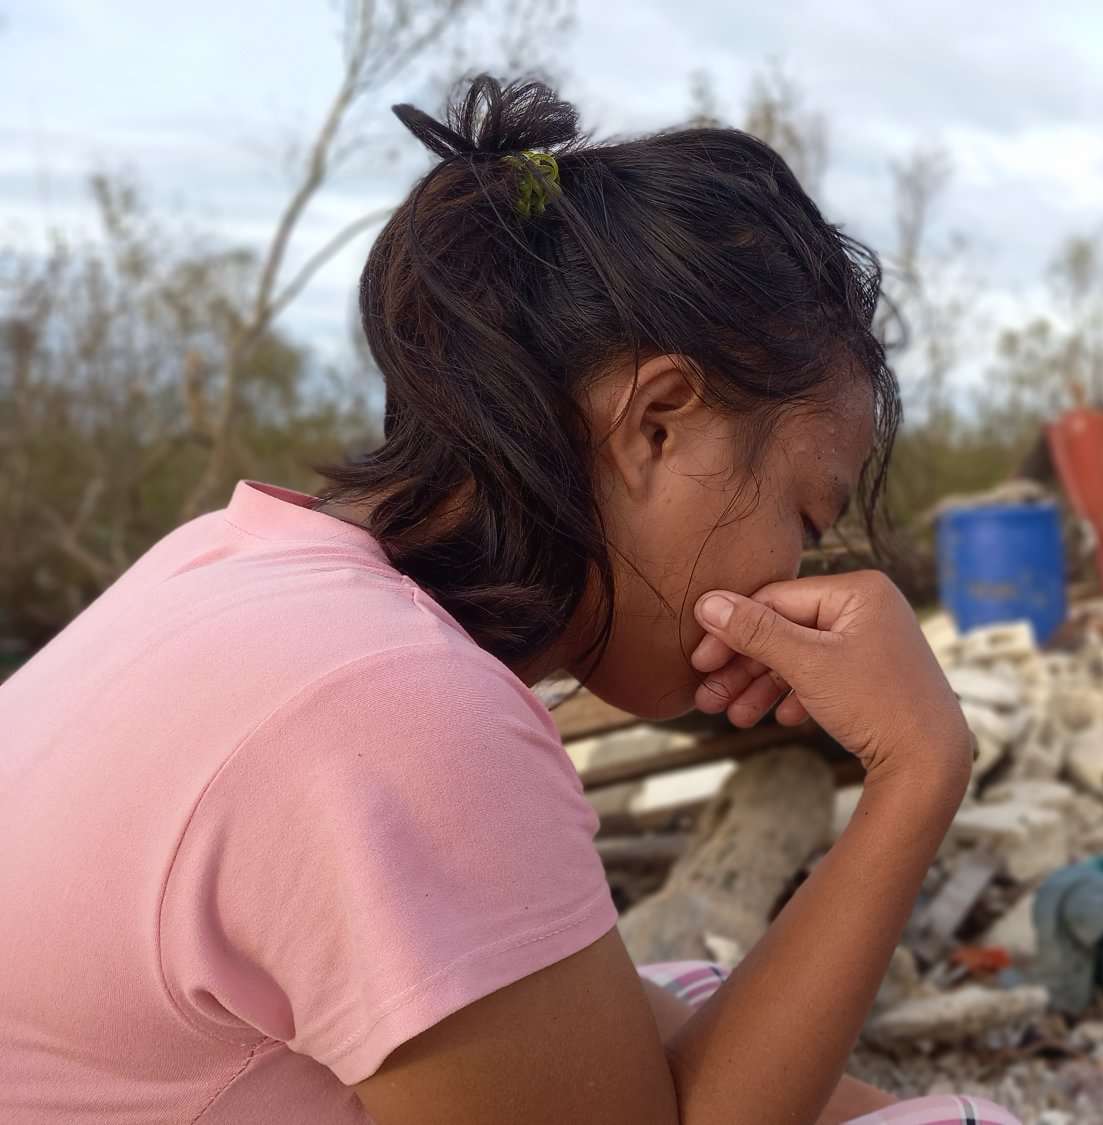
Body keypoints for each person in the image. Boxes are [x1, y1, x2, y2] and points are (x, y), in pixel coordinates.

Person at [0, 76, 1016, 1125]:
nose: (794, 573)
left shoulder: (231, 567)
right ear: (656, 421)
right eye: (804, 518)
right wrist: (916, 770)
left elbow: (598, 1040)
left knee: (691, 1010)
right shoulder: (399, 710)